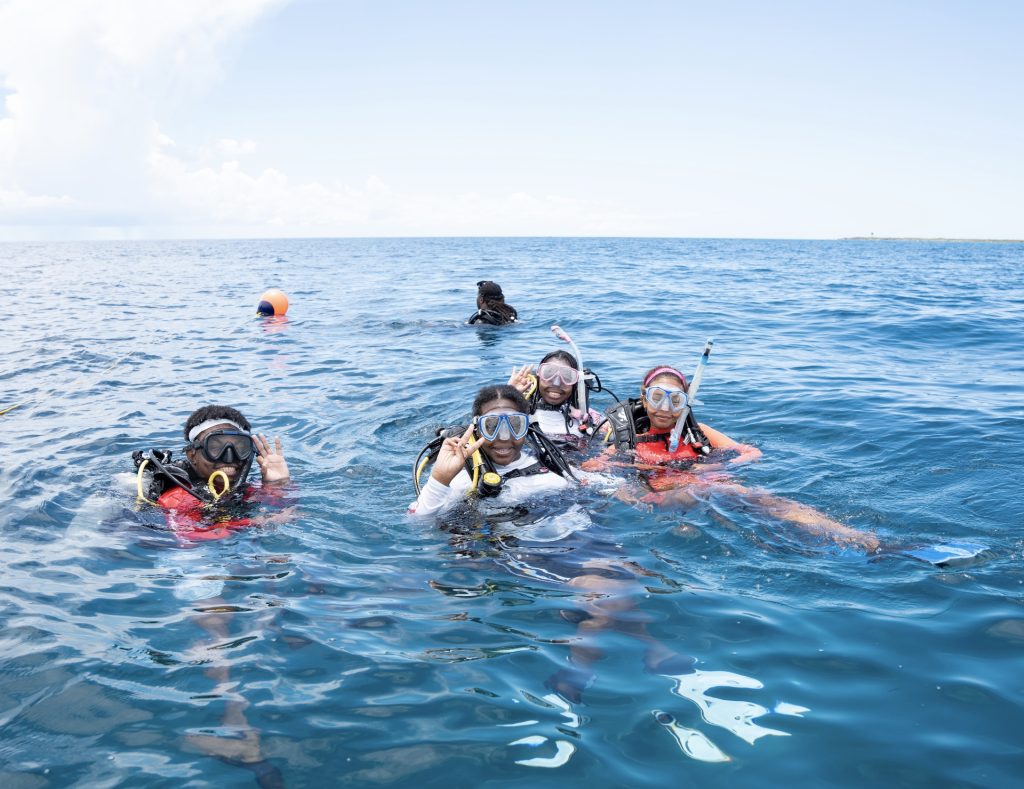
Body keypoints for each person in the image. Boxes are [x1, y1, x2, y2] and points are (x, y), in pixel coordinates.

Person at [587, 366, 879, 551]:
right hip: (666, 498)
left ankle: (855, 538)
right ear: (643, 397)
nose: (665, 408)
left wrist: (717, 466)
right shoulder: (628, 439)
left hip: (711, 486)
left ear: (686, 401)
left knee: (767, 501)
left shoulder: (700, 432)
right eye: (656, 397)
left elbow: (752, 452)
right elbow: (596, 468)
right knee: (706, 497)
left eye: (675, 400)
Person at [133, 404, 291, 541]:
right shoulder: (178, 493)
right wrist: (254, 523)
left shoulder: (245, 486)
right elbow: (187, 535)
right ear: (192, 455)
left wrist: (278, 484)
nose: (229, 457)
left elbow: (284, 511)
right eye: (215, 447)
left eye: (239, 448)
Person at [410, 385, 575, 516]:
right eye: (491, 426)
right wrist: (440, 479)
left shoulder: (553, 471)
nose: (503, 437)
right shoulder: (461, 478)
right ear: (477, 430)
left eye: (515, 425)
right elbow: (419, 521)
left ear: (527, 429)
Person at [508, 350, 604, 451]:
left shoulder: (589, 417)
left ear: (575, 384)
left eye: (567, 377)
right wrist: (509, 396)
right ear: (538, 377)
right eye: (548, 374)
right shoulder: (518, 412)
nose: (556, 383)